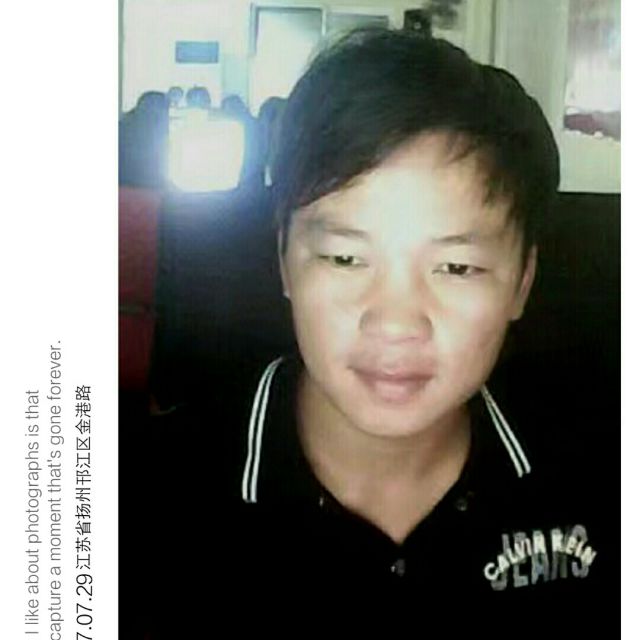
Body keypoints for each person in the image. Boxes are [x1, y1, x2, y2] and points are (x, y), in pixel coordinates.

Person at [139, 27, 615, 637]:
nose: (394, 322)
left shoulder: (602, 478)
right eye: (345, 258)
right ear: (285, 260)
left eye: (456, 268)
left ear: (522, 282)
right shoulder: (136, 500)